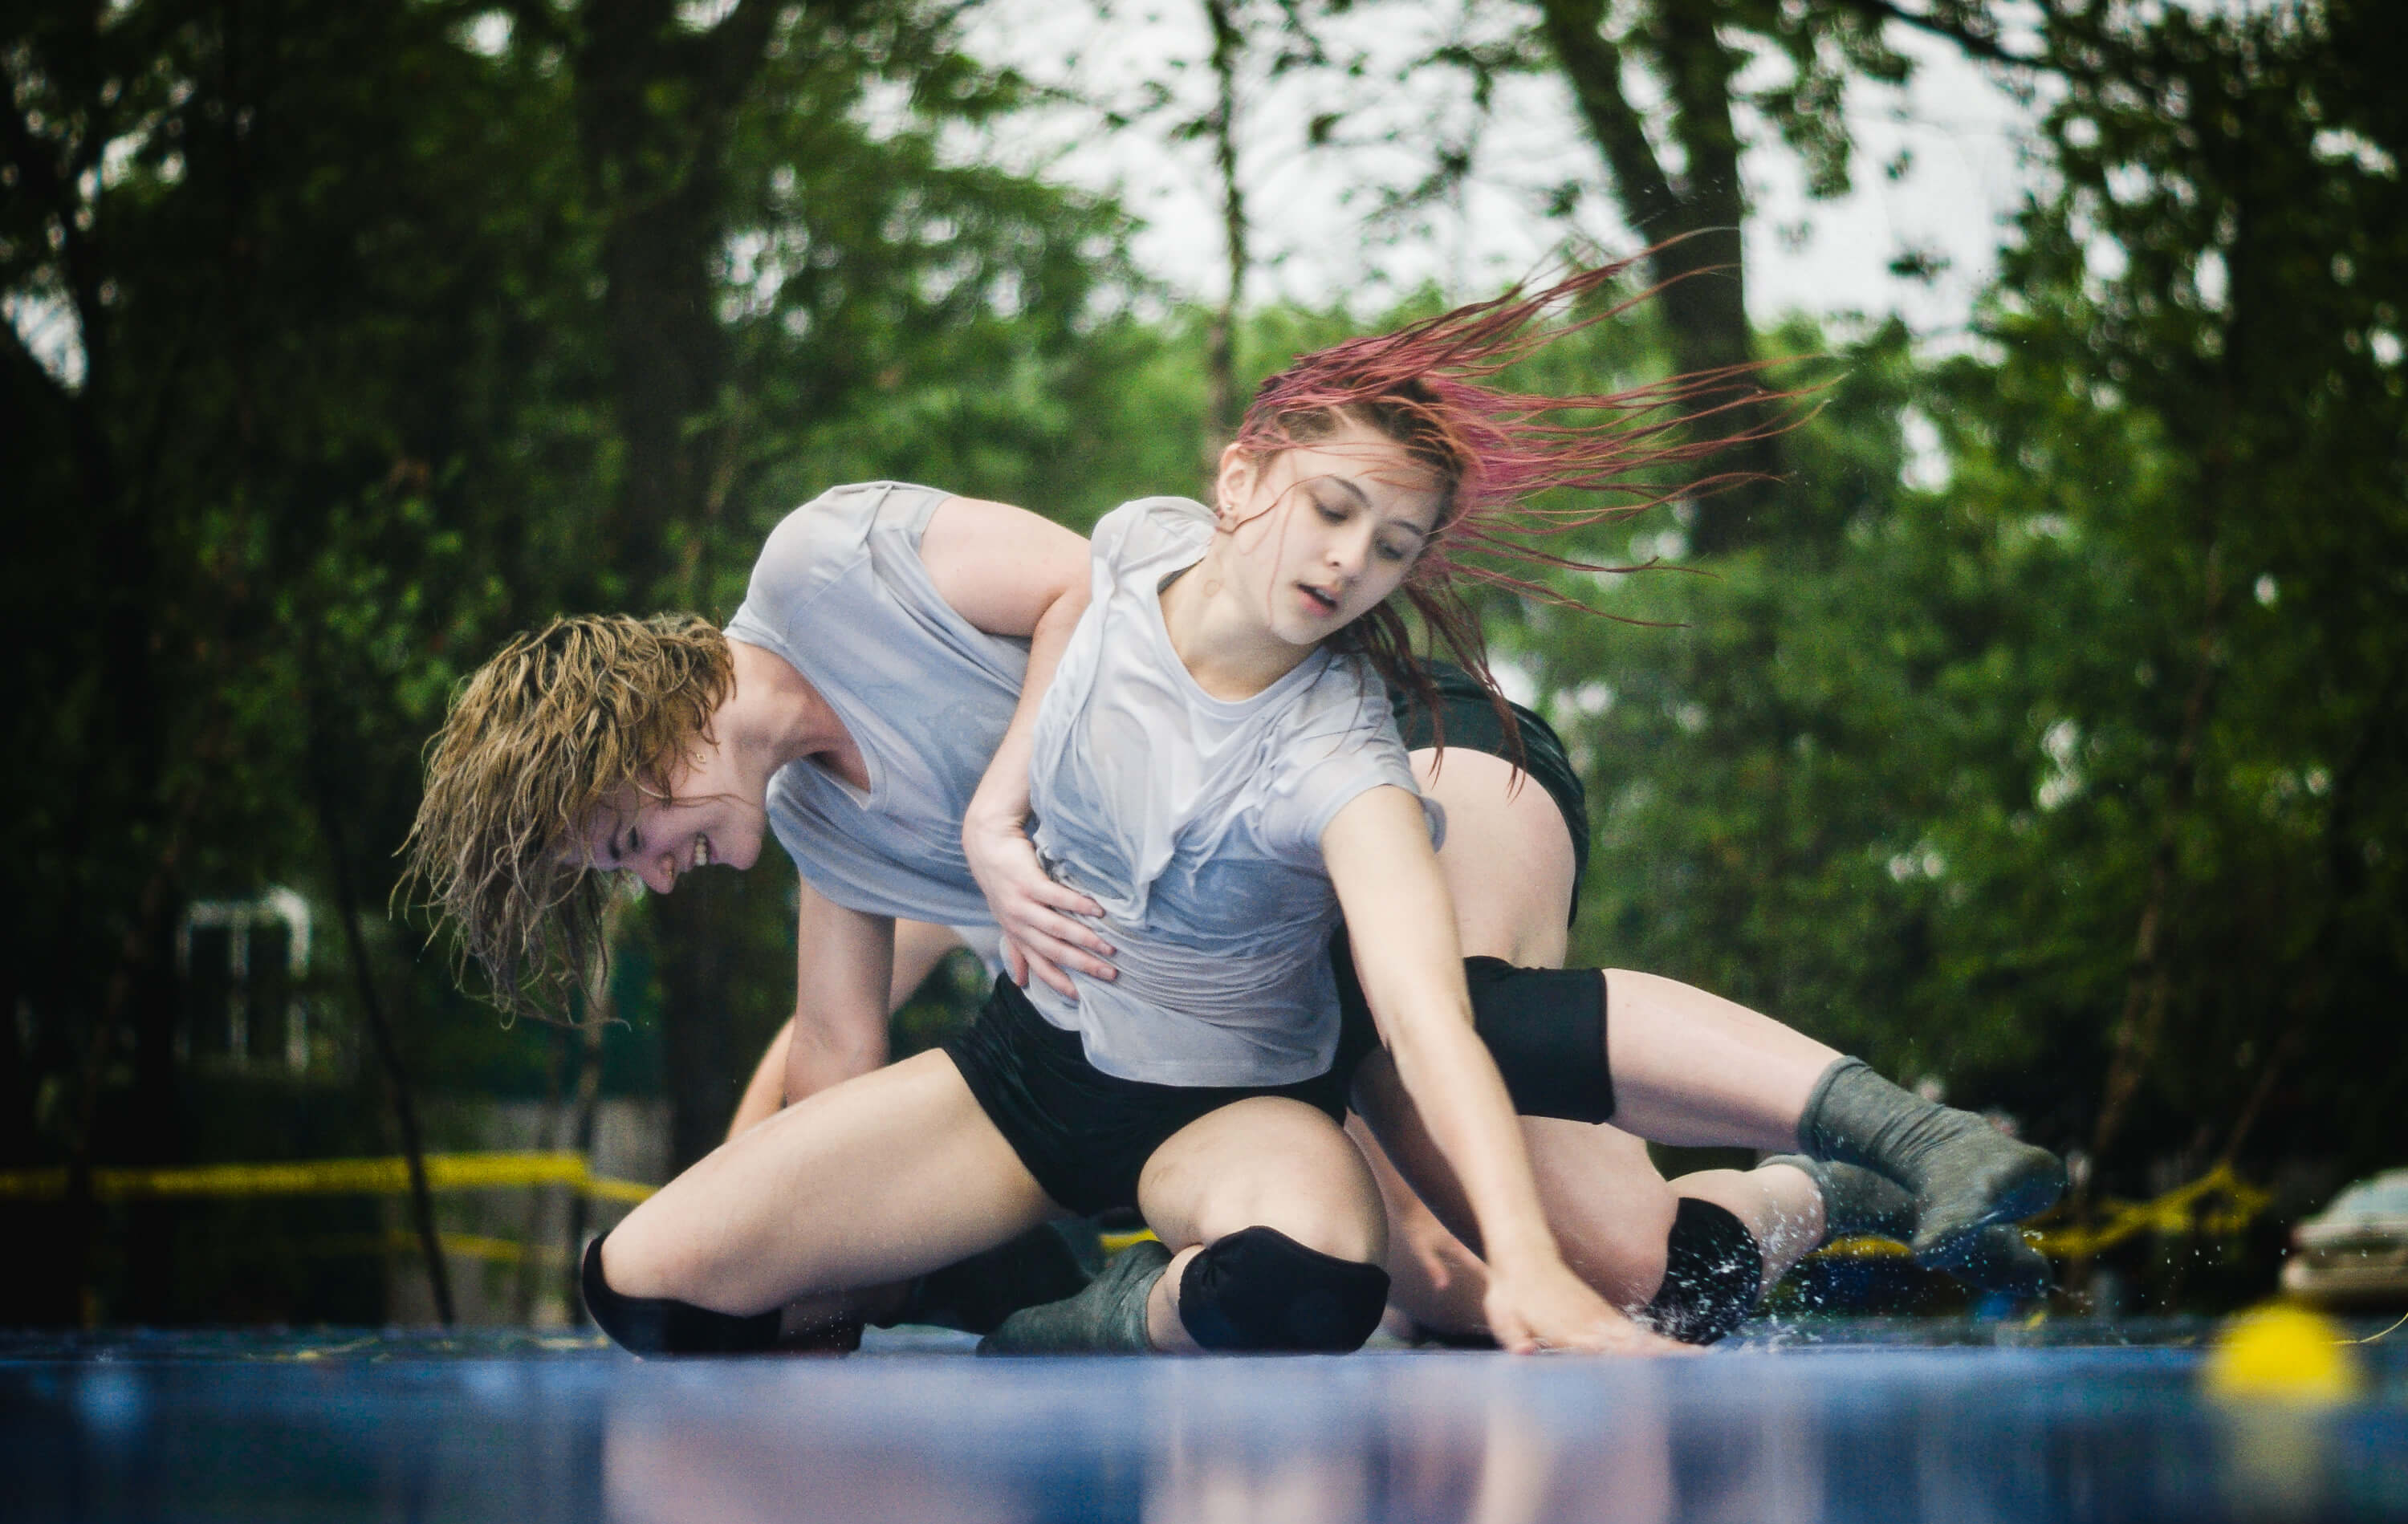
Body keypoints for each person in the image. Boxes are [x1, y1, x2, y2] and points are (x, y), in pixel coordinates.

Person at [409, 268, 2060, 1355]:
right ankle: (1770, 1206)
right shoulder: (821, 833)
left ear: (649, 730)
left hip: (1411, 754)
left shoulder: (835, 567)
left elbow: (1085, 591)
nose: (658, 879)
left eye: (629, 840)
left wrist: (998, 820)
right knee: (1425, 1279)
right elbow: (838, 1050)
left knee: (1509, 1140)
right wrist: (812, 1267)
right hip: (1223, 959)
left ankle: (1851, 1163)